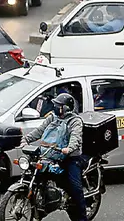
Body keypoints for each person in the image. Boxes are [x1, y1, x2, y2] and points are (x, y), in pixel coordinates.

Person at [20, 93, 86, 221]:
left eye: (58, 105)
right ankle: (42, 206)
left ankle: (82, 218)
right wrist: (26, 139)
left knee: (75, 189)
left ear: (66, 108)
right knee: (37, 175)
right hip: (50, 154)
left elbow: (76, 137)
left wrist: (69, 148)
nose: (55, 107)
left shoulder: (75, 121)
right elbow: (40, 130)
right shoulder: (52, 117)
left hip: (70, 158)